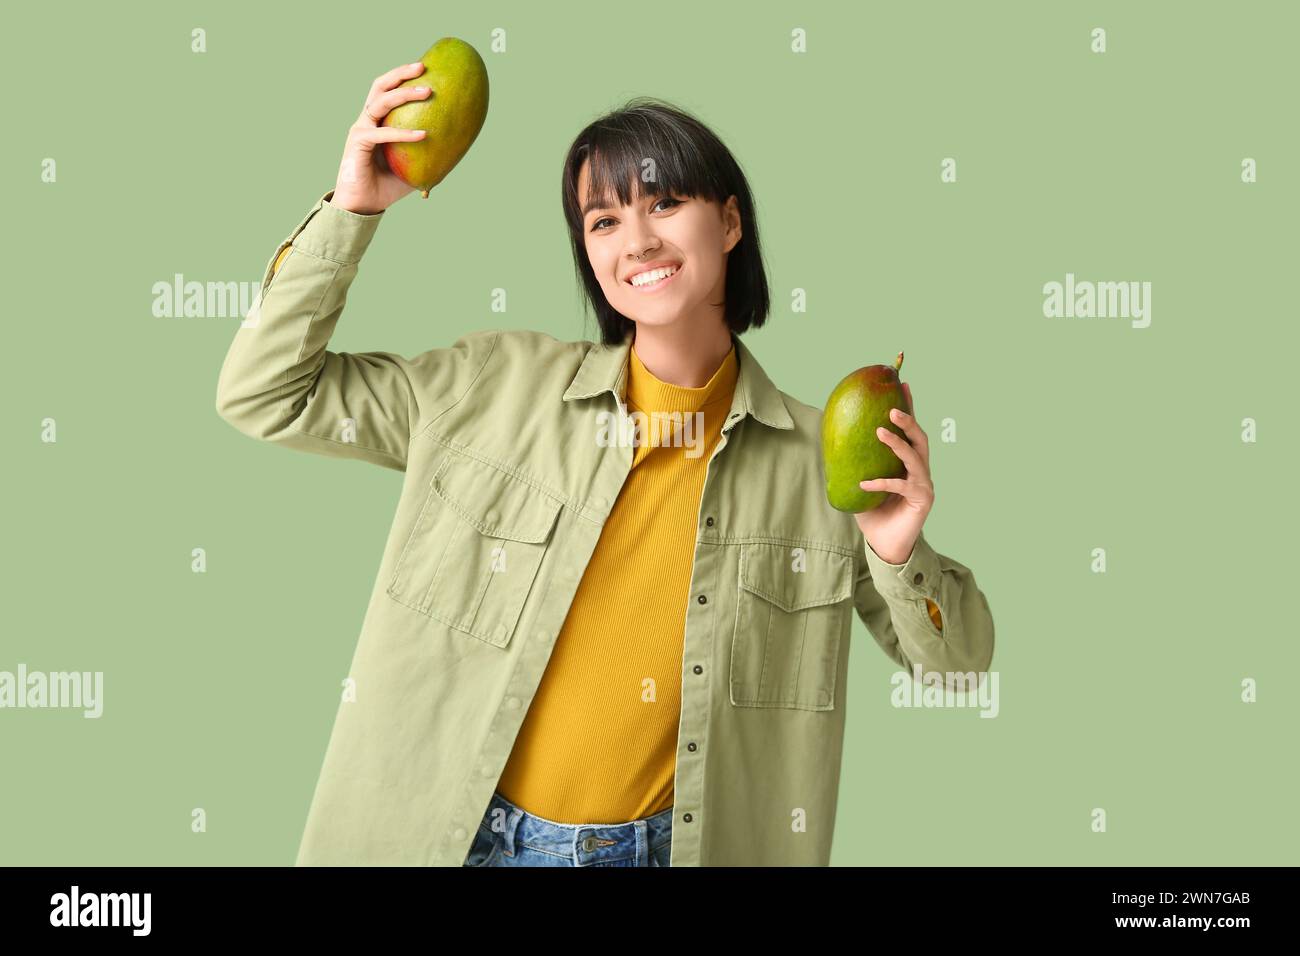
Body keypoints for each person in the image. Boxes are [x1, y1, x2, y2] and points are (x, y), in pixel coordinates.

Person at [215, 60, 995, 867]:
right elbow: (266, 394)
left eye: (665, 203)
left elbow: (960, 670)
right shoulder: (492, 386)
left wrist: (898, 550)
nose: (640, 241)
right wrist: (352, 211)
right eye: (604, 221)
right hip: (448, 840)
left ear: (729, 222)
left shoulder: (817, 467)